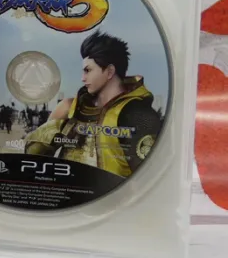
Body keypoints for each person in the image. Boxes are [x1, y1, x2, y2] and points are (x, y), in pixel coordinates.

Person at [25, 31, 162, 177]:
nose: (83, 78)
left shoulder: (138, 114)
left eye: (88, 70)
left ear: (109, 71)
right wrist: (53, 131)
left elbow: (148, 176)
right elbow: (32, 160)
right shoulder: (70, 108)